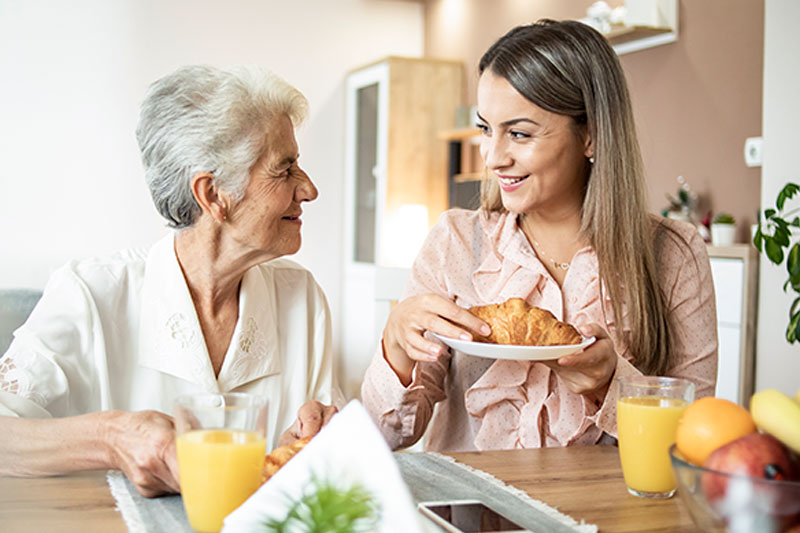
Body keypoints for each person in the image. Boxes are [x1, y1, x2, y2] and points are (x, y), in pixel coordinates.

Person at [362, 20, 717, 452]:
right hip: (471, 515)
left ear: (591, 134)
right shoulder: (455, 241)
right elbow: (385, 437)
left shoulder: (673, 253)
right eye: (485, 129)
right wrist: (397, 342)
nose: (492, 157)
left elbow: (694, 442)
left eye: (519, 134)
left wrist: (612, 383)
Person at [0, 65, 340, 496]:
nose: (308, 189)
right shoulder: (90, 294)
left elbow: (319, 439)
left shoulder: (302, 298)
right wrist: (112, 437)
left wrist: (311, 440)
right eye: (285, 168)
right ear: (212, 194)